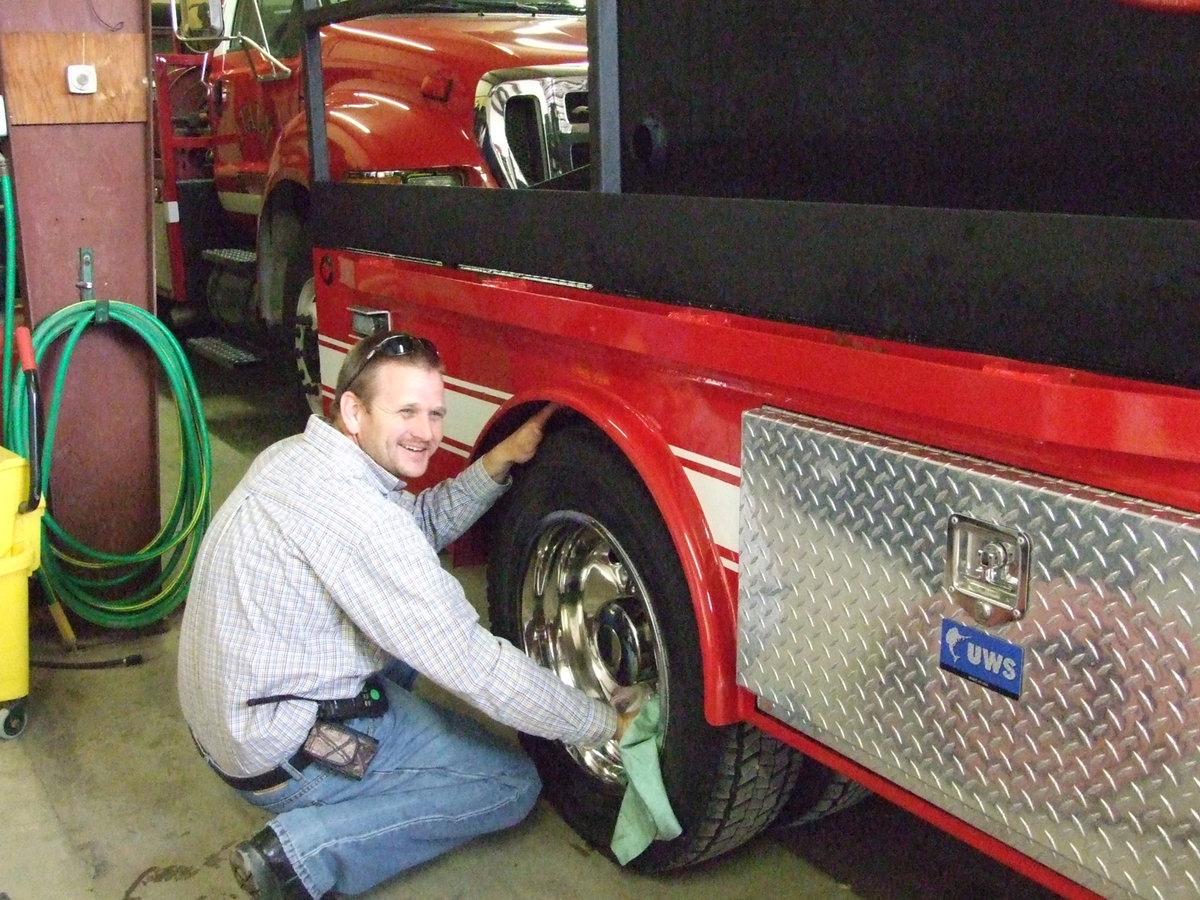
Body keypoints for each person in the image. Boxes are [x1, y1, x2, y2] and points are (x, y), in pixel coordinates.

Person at [177, 330, 630, 900]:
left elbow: (408, 531)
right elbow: (476, 666)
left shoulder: (297, 456)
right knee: (509, 784)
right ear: (353, 409)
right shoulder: (360, 519)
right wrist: (604, 724)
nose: (427, 432)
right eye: (407, 411)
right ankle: (302, 854)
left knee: (405, 644)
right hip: (285, 751)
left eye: (436, 413)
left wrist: (497, 462)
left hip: (229, 722)